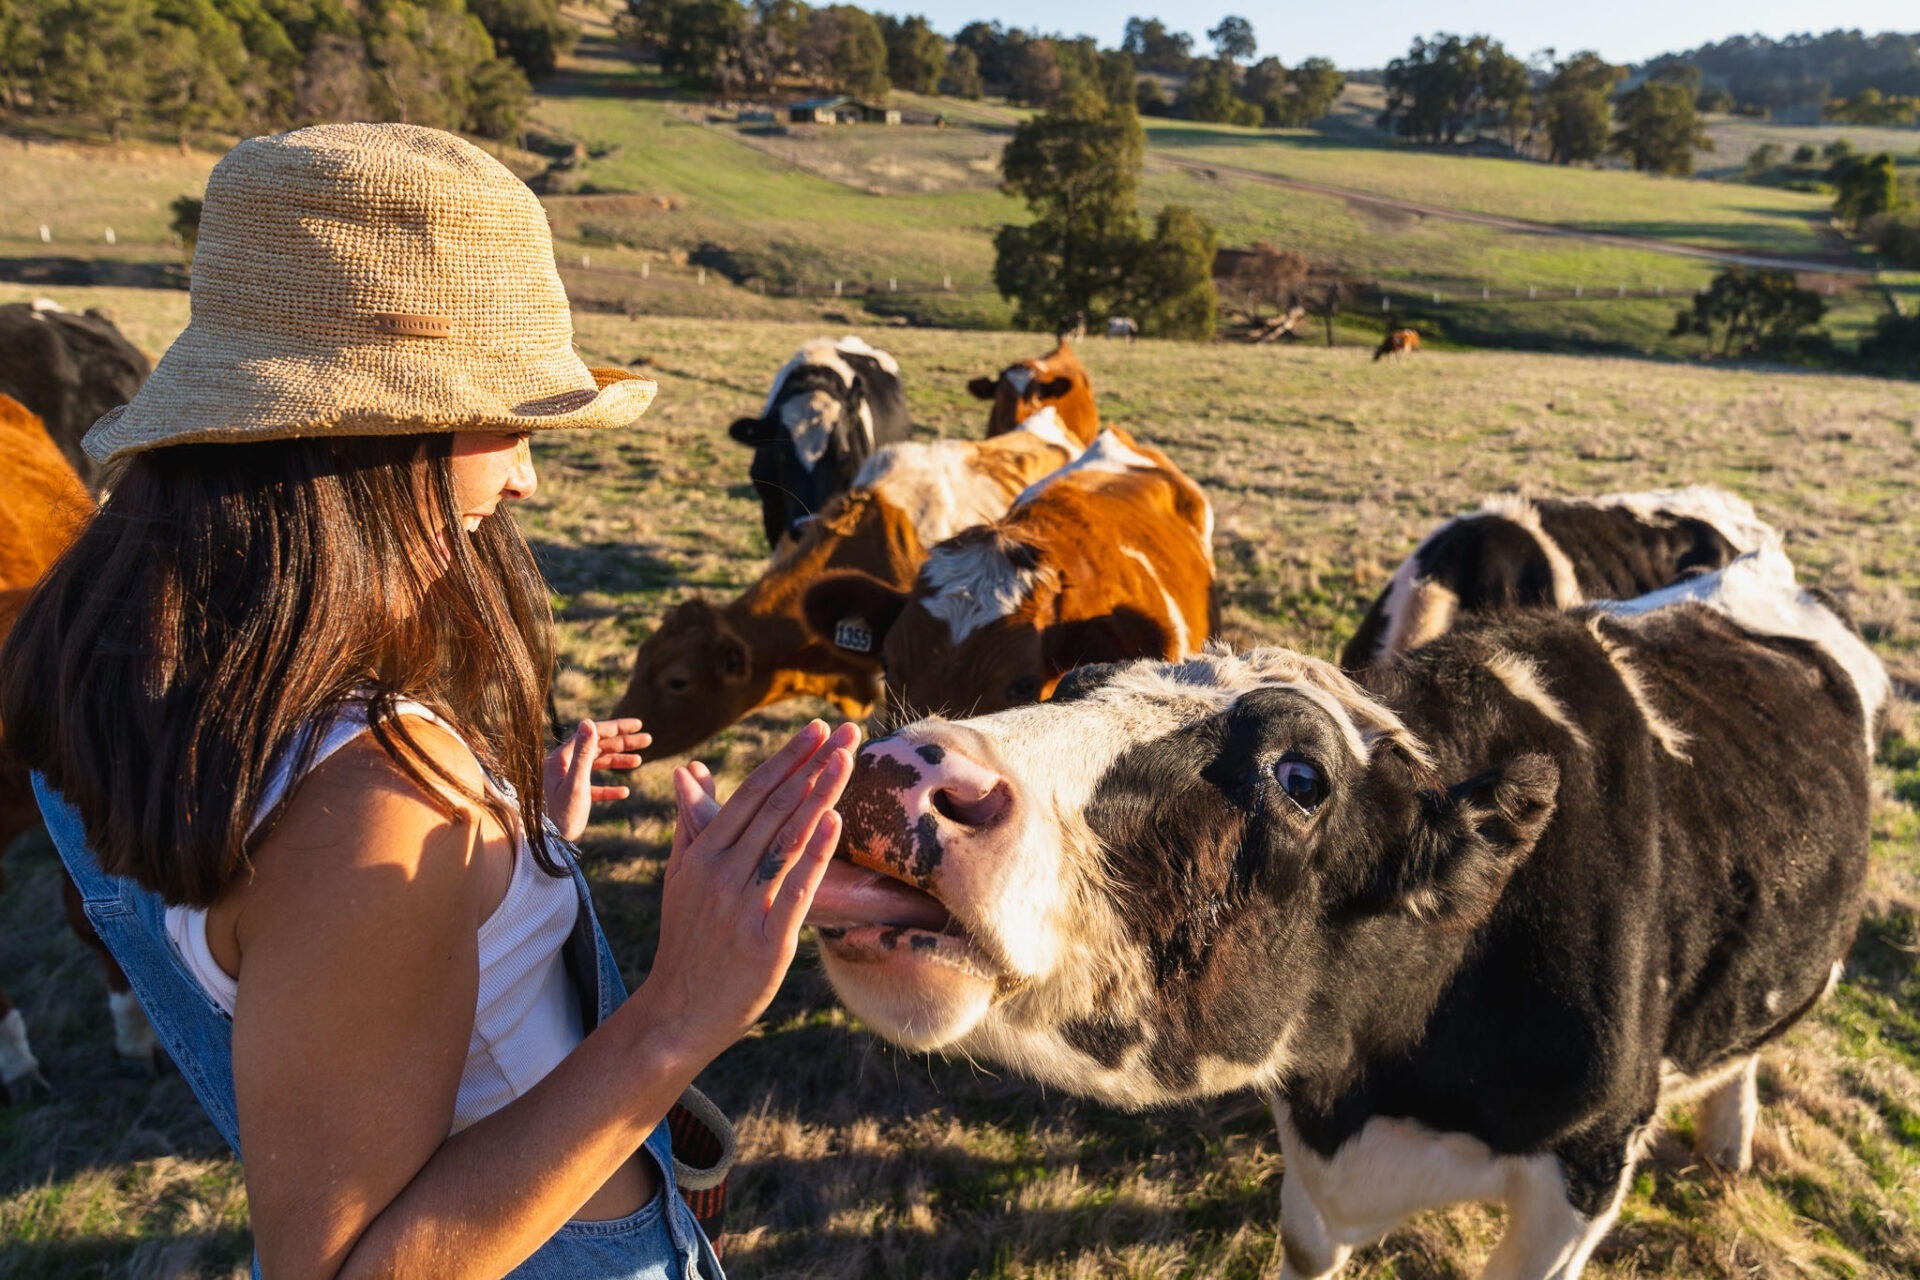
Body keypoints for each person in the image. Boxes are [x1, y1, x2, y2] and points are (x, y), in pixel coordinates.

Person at [0, 123, 858, 1279]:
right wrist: (680, 1011)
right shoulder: (376, 791)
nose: (526, 473)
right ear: (374, 428)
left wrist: (508, 851)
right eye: (506, 416)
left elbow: (315, 962)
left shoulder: (128, 669)